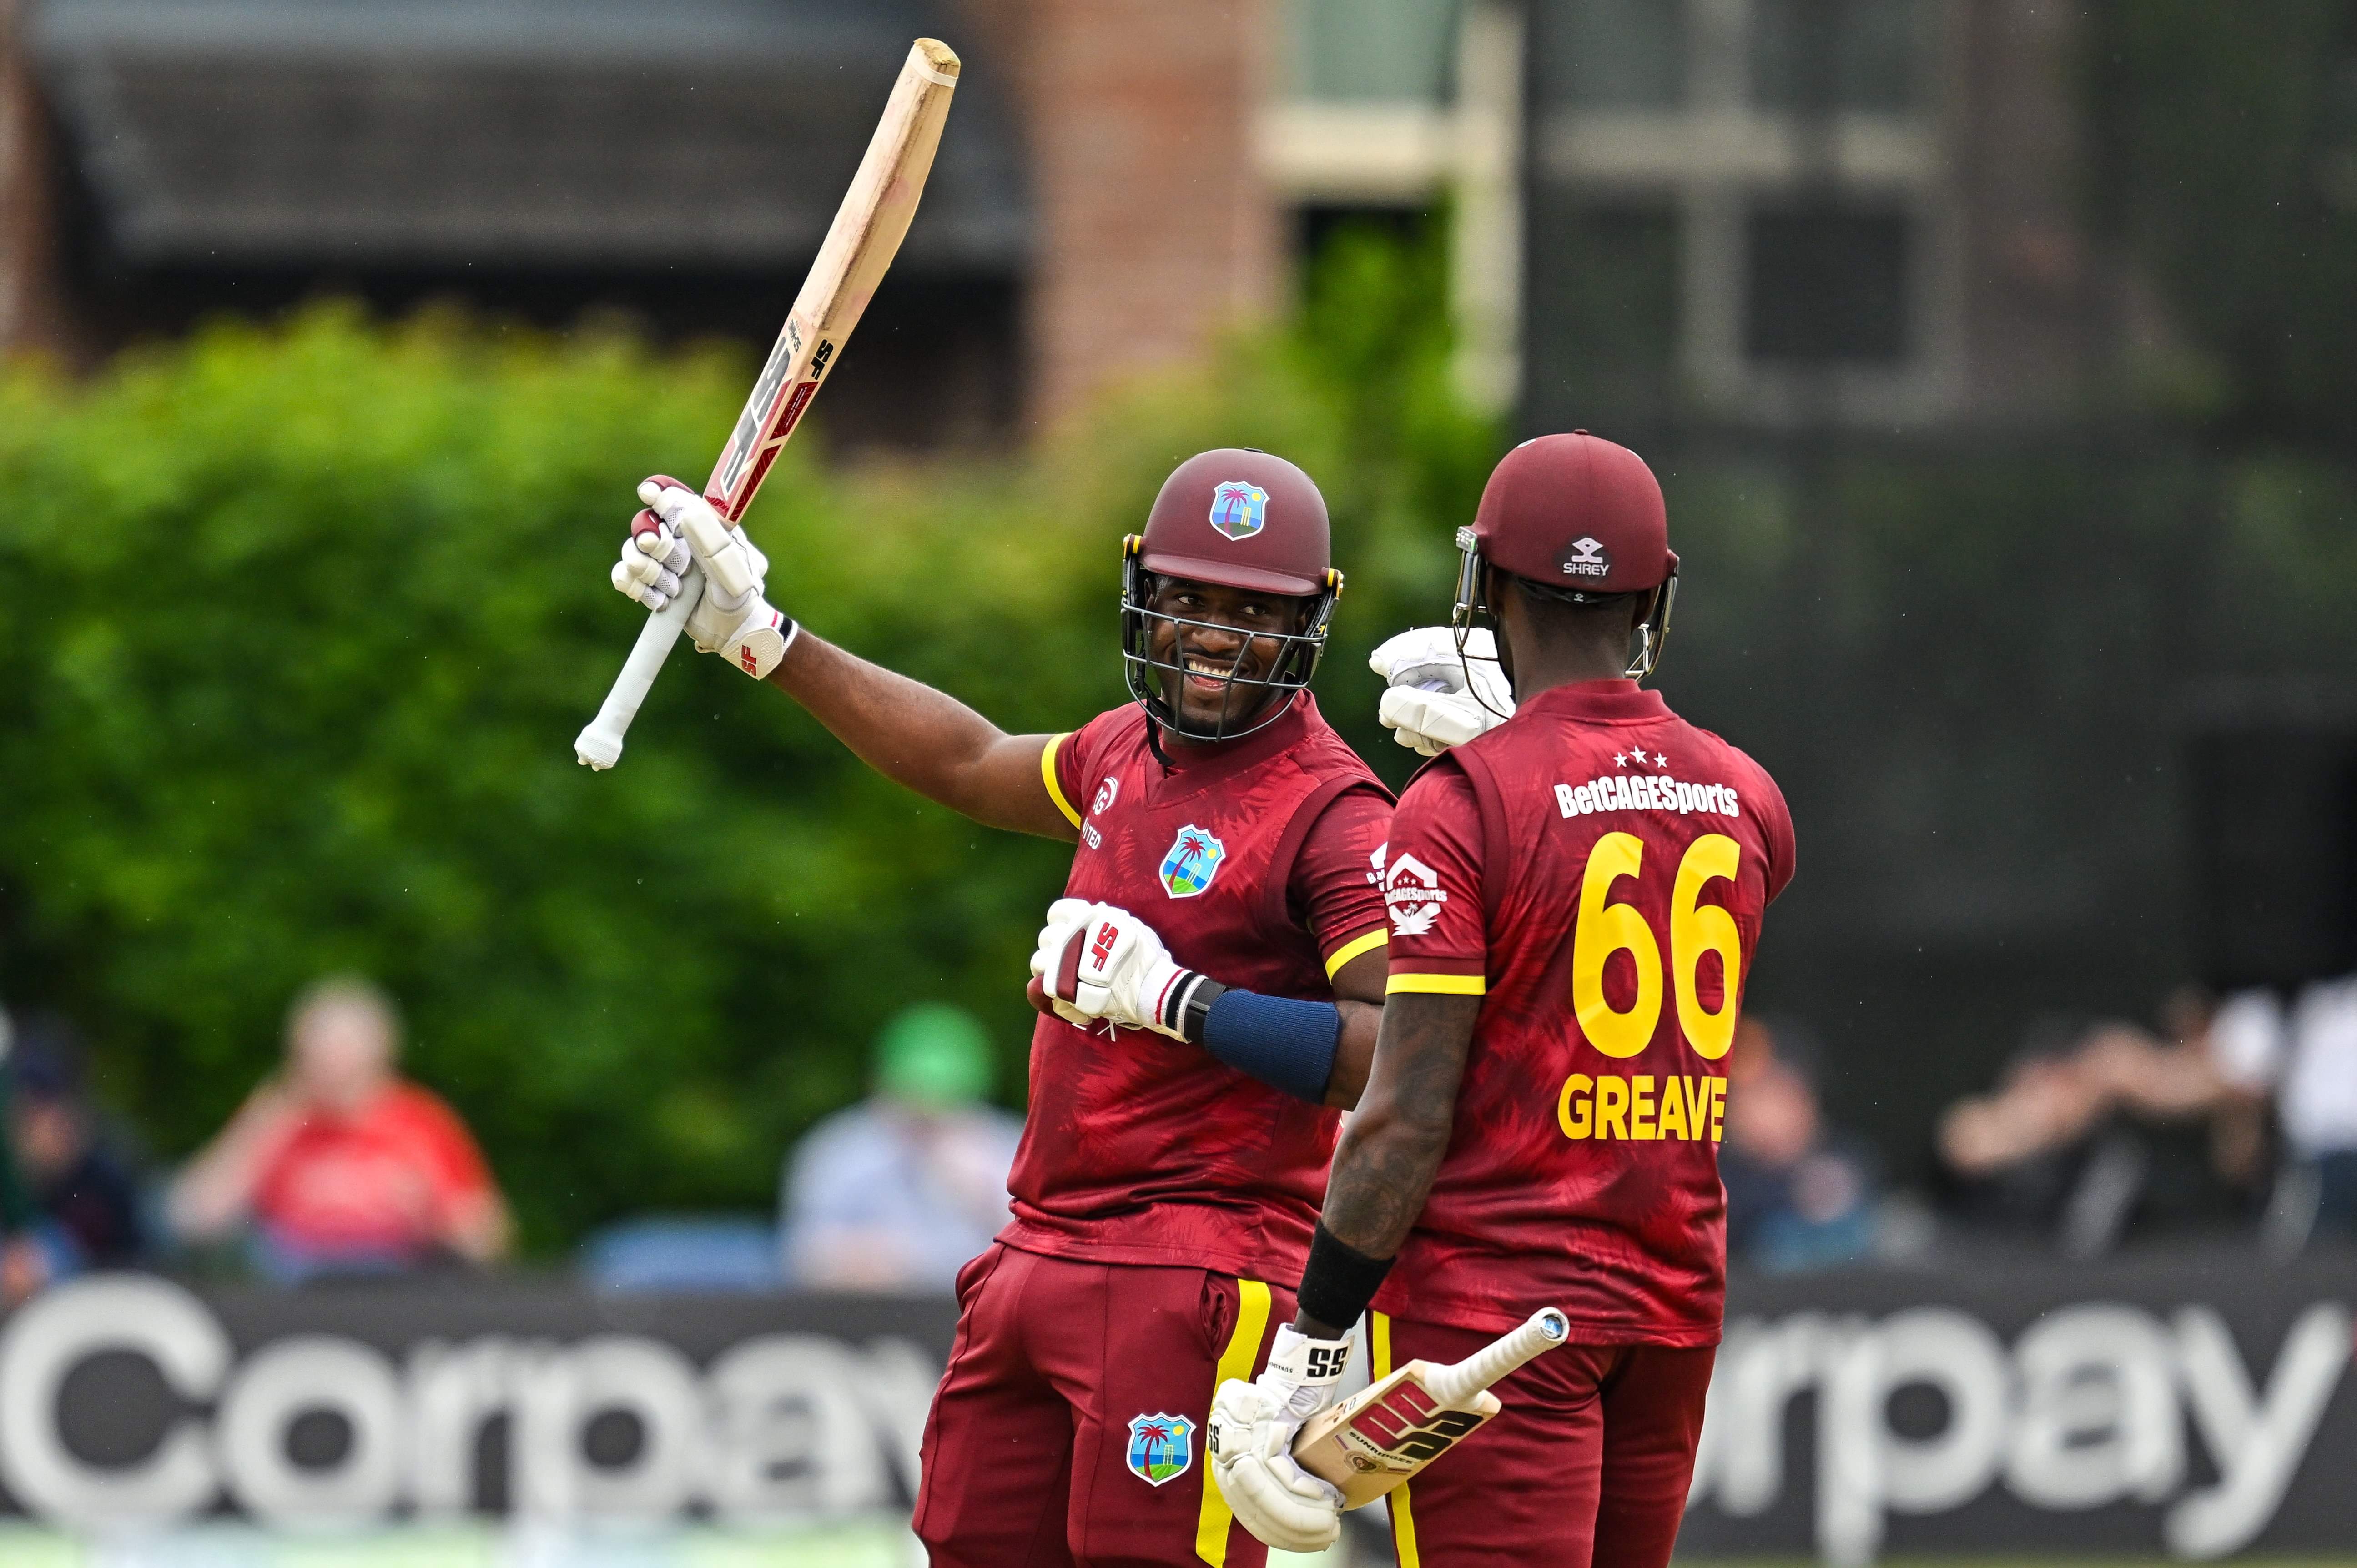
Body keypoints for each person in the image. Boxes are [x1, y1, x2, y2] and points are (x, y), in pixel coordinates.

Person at [611, 450, 1395, 1567]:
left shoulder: (1336, 813)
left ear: (1308, 620)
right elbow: (971, 759)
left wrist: (1182, 1000)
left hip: (1196, 1264)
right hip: (1037, 1240)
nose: (1214, 635)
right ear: (1143, 591)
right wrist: (763, 638)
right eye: (1188, 598)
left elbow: (1392, 1053)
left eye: (1252, 611)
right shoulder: (1123, 745)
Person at [1207, 432, 1796, 1565]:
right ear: (1654, 597)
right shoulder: (1747, 791)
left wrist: (1309, 1347)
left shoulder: (1459, 801)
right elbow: (1632, 854)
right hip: (1673, 1300)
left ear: (1484, 582)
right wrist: (1552, 762)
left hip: (1493, 1313)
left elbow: (1403, 1111)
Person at [168, 976, 511, 1281]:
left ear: (383, 1053)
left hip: (393, 1288)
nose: (332, 1063)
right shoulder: (277, 1120)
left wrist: (432, 1216)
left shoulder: (420, 1124)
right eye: (318, 1048)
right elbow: (190, 1220)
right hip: (292, 1288)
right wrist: (262, 1126)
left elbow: (487, 1240)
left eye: (344, 1048)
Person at [781, 1003, 1024, 1291]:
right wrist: (877, 1259)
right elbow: (802, 1254)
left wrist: (984, 1197)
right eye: (914, 1099)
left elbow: (1046, 1251)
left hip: (984, 1307)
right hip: (867, 1311)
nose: (928, 1114)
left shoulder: (1013, 1149)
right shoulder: (839, 1151)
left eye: (947, 1101)